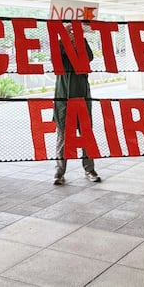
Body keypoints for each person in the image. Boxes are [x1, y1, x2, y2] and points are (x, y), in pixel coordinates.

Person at [53, 23, 101, 185]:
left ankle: (89, 169)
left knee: (86, 136)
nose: (72, 36)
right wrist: (63, 36)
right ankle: (59, 172)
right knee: (62, 138)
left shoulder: (82, 51)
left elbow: (89, 56)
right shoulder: (60, 54)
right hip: (63, 102)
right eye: (69, 34)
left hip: (82, 100)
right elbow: (55, 54)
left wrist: (79, 39)